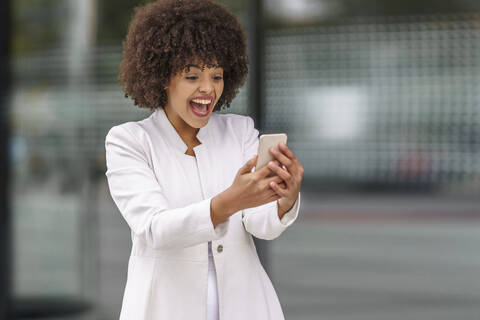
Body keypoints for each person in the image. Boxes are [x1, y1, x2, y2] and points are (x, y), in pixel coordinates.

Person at [104, 0, 304, 319]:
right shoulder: (129, 141)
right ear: (163, 76)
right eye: (192, 76)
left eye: (217, 75)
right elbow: (154, 229)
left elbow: (260, 222)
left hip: (247, 307)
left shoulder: (240, 132)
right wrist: (226, 202)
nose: (208, 89)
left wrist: (285, 198)